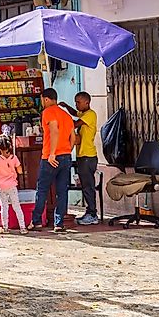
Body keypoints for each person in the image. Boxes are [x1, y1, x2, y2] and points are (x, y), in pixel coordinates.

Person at [29, 88, 76, 233]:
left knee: (42, 189)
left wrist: (52, 153)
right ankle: (59, 223)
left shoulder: (48, 112)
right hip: (66, 155)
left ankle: (36, 221)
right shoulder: (66, 115)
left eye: (42, 100)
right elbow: (73, 138)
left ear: (46, 99)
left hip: (51, 157)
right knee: (62, 191)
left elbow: (54, 131)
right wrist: (67, 150)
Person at [60, 92, 99, 225]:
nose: (76, 105)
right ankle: (89, 211)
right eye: (75, 102)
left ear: (87, 102)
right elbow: (75, 113)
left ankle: (93, 214)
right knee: (85, 186)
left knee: (88, 186)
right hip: (82, 156)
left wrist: (60, 117)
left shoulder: (90, 114)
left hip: (88, 156)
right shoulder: (83, 113)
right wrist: (66, 107)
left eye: (78, 102)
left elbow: (75, 124)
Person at [0, 136, 26, 234]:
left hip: (1, 187)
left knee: (4, 207)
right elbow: (20, 171)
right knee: (16, 207)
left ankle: (5, 227)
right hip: (12, 186)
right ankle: (22, 227)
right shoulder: (14, 158)